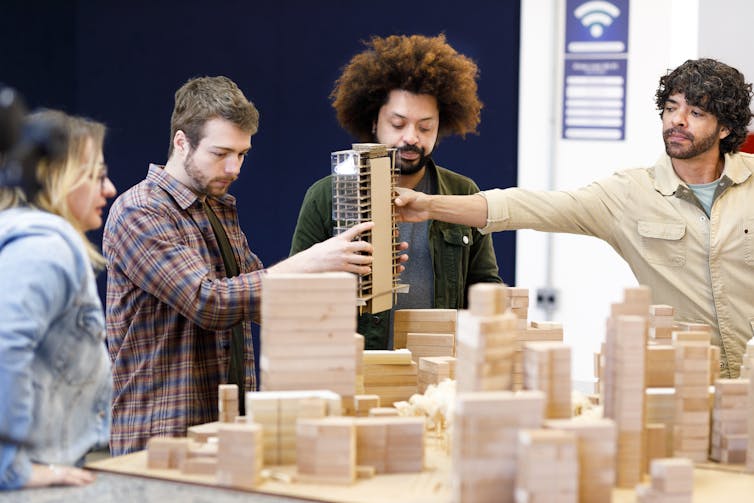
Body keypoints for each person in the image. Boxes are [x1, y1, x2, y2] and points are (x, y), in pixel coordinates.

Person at [395, 58, 754, 378]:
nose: (677, 120)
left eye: (696, 113)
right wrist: (428, 205)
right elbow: (527, 206)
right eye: (672, 108)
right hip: (685, 381)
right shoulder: (631, 193)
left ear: (725, 129)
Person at [103, 76, 378, 455]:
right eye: (220, 153)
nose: (234, 167)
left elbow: (263, 301)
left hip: (226, 428)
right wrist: (310, 260)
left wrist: (350, 270)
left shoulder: (216, 208)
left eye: (242, 154)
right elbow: (209, 302)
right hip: (162, 436)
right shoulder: (141, 210)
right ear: (182, 142)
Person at [290, 34, 502, 350]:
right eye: (398, 123)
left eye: (425, 127)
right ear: (374, 121)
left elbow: (484, 288)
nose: (411, 138)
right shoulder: (325, 196)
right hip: (355, 367)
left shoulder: (462, 193)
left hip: (438, 374)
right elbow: (294, 292)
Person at [0, 110, 117, 489]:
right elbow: (5, 345)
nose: (109, 189)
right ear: (57, 178)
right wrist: (10, 468)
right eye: (97, 175)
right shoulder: (48, 246)